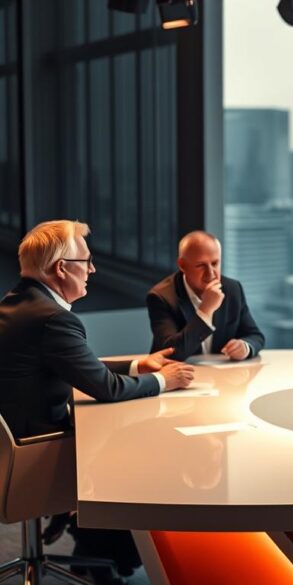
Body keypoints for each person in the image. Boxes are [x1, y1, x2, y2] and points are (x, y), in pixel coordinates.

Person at [0, 220, 194, 583]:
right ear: (62, 268)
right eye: (85, 261)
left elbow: (74, 365)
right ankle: (106, 552)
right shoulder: (51, 318)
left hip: (9, 451)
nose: (92, 269)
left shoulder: (19, 305)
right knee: (140, 453)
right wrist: (162, 380)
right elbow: (106, 389)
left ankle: (86, 538)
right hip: (30, 461)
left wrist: (138, 364)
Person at [146, 231, 265, 361]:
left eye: (215, 263)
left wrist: (245, 347)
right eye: (201, 265)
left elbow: (255, 336)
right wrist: (206, 310)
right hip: (176, 376)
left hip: (222, 376)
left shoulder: (232, 289)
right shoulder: (160, 296)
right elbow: (171, 353)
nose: (210, 273)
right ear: (182, 265)